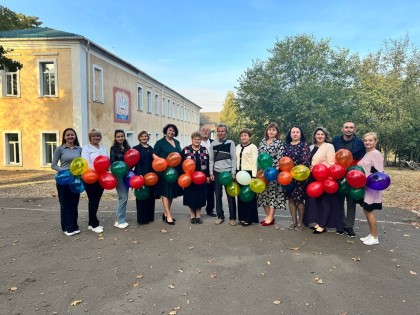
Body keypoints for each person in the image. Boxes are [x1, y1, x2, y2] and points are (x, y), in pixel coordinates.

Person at [303, 127, 344, 234]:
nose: (320, 136)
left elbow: (331, 162)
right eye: (318, 134)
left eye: (322, 134)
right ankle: (318, 222)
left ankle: (323, 225)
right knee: (314, 202)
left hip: (324, 177)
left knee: (325, 201)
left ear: (325, 136)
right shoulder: (311, 147)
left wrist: (317, 168)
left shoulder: (329, 146)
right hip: (312, 177)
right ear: (314, 136)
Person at [332, 121, 366, 237]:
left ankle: (349, 226)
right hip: (338, 175)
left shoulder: (360, 143)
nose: (348, 129)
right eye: (346, 127)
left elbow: (363, 159)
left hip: (353, 175)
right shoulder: (335, 140)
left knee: (351, 203)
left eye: (351, 127)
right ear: (342, 129)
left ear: (354, 129)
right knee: (339, 202)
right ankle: (341, 225)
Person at [51, 128, 82, 236]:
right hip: (63, 180)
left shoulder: (79, 149)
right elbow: (53, 165)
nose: (70, 137)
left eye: (72, 135)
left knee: (74, 203)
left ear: (75, 136)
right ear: (64, 137)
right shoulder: (60, 149)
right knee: (65, 203)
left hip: (76, 179)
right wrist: (65, 172)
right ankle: (67, 227)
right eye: (67, 135)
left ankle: (74, 225)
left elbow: (81, 164)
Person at [357, 132, 384, 245]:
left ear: (375, 141)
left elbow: (379, 173)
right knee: (366, 210)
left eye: (370, 140)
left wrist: (371, 183)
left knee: (369, 210)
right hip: (365, 186)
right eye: (366, 140)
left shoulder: (376, 154)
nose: (367, 142)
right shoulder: (367, 153)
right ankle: (371, 234)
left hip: (372, 187)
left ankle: (375, 237)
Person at [257, 122, 286, 226]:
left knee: (273, 195)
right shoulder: (262, 142)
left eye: (274, 130)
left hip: (273, 172)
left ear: (277, 132)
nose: (271, 131)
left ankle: (270, 217)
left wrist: (274, 170)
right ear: (267, 131)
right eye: (270, 129)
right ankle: (268, 215)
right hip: (262, 173)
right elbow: (259, 158)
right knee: (263, 194)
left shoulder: (279, 143)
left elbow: (280, 158)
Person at [154, 124, 183, 225]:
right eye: (170, 130)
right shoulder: (160, 143)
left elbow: (180, 155)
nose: (172, 132)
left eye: (174, 131)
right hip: (165, 171)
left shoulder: (177, 142)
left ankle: (166, 213)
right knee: (166, 192)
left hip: (175, 172)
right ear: (166, 131)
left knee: (171, 193)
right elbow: (154, 154)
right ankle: (169, 216)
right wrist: (162, 162)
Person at [283, 126, 311, 231]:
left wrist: (297, 172)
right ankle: (293, 221)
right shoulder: (286, 146)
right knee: (291, 199)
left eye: (297, 132)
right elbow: (283, 160)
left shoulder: (304, 145)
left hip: (300, 176)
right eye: (293, 132)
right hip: (288, 177)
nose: (295, 134)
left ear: (300, 134)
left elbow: (306, 161)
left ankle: (300, 223)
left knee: (299, 200)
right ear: (290, 134)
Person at [209, 123, 237, 226]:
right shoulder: (213, 144)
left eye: (223, 131)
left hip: (228, 172)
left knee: (231, 195)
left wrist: (233, 173)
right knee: (218, 195)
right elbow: (211, 160)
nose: (220, 133)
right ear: (217, 132)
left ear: (226, 132)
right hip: (217, 172)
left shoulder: (230, 143)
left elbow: (234, 158)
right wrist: (211, 173)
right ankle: (220, 216)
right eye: (219, 131)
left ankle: (233, 217)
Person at [81, 128, 108, 233]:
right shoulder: (86, 148)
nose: (96, 138)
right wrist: (99, 168)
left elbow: (107, 160)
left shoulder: (103, 148)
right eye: (93, 136)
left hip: (101, 178)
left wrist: (105, 168)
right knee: (93, 200)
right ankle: (94, 224)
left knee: (96, 201)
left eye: (97, 136)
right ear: (90, 138)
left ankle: (90, 223)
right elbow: (86, 163)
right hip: (90, 177)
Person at [182, 132, 210, 224]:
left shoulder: (204, 149)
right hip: (189, 178)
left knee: (200, 196)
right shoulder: (186, 149)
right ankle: (192, 215)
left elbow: (208, 163)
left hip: (201, 177)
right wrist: (183, 176)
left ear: (201, 140)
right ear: (192, 139)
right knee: (190, 195)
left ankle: (198, 214)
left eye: (199, 139)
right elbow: (181, 163)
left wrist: (208, 176)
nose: (197, 141)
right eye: (195, 139)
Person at [133, 131, 158, 225]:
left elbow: (155, 161)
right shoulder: (136, 148)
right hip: (140, 175)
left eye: (146, 136)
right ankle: (142, 219)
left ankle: (150, 216)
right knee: (141, 196)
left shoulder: (151, 148)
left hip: (151, 176)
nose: (144, 138)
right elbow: (136, 162)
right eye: (142, 136)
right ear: (139, 138)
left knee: (150, 196)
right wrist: (139, 174)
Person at [236, 128, 259, 226]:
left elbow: (255, 162)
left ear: (249, 137)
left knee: (249, 196)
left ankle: (248, 218)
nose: (243, 137)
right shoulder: (237, 147)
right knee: (240, 196)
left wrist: (253, 176)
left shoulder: (253, 147)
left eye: (245, 135)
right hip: (239, 173)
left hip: (249, 174)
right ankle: (241, 217)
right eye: (242, 135)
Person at [110, 129, 131, 229]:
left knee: (124, 197)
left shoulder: (127, 147)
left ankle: (118, 219)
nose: (120, 138)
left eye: (122, 136)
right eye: (118, 136)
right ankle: (120, 220)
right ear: (115, 138)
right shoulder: (113, 149)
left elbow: (131, 160)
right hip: (118, 175)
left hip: (127, 175)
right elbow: (112, 162)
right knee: (123, 197)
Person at [200, 126, 216, 217]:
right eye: (204, 130)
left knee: (211, 191)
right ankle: (197, 209)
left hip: (212, 170)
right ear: (201, 131)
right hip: (201, 170)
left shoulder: (213, 142)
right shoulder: (198, 142)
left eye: (207, 131)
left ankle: (210, 210)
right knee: (201, 191)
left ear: (209, 132)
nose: (206, 132)